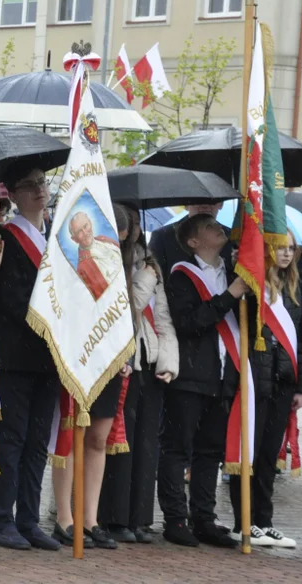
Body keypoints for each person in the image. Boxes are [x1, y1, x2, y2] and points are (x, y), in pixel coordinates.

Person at [0, 164, 61, 552]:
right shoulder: (7, 239)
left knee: (37, 441)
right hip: (17, 351)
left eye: (42, 183)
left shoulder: (58, 238)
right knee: (12, 439)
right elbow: (7, 299)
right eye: (30, 186)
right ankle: (1, 519)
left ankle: (29, 519)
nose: (39, 191)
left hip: (51, 356)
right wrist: (48, 317)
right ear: (12, 194)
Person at [159, 213, 247, 548]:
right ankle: (175, 518)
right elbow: (189, 322)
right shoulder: (182, 275)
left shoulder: (233, 271)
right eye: (210, 226)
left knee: (210, 452)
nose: (219, 229)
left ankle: (204, 518)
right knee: (177, 448)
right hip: (192, 374)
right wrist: (230, 295)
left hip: (225, 374)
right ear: (195, 241)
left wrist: (243, 285)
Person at [48, 206, 132, 550]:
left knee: (98, 438)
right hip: (77, 353)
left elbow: (121, 306)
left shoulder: (110, 253)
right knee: (70, 438)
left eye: (88, 230)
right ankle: (65, 518)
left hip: (108, 352)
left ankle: (90, 518)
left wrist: (125, 350)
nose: (85, 236)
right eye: (79, 232)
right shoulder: (67, 260)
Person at [98, 203, 178, 544]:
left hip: (149, 358)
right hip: (122, 358)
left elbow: (162, 316)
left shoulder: (149, 261)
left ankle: (140, 517)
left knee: (147, 443)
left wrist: (169, 361)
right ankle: (115, 518)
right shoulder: (110, 260)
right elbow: (124, 308)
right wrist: (143, 278)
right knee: (121, 441)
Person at [226, 236, 302, 548]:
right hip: (253, 379)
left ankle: (265, 520)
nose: (286, 253)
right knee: (249, 451)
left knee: (269, 454)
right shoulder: (253, 285)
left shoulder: (295, 288)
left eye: (290, 248)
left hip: (283, 382)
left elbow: (301, 340)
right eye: (280, 247)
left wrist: (301, 387)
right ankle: (242, 520)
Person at [148, 204, 227, 281]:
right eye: (198, 201)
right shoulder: (163, 237)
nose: (204, 206)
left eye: (210, 201)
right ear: (186, 205)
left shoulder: (231, 236)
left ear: (221, 204)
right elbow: (155, 280)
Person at [68, 212, 121, 299]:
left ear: (90, 223)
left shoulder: (103, 239)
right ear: (74, 239)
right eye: (79, 232)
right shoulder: (83, 268)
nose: (85, 233)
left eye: (85, 226)